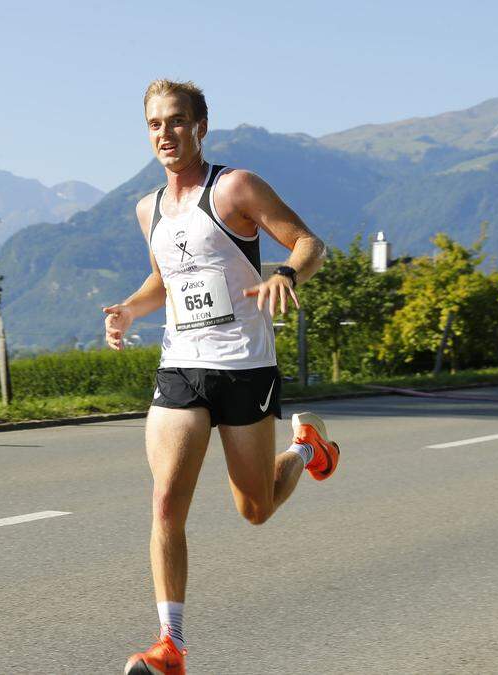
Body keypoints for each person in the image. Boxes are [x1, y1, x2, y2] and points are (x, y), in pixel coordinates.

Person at [103, 79, 341, 675]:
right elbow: (166, 280)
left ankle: (304, 449)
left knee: (254, 508)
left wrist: (286, 269)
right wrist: (131, 308)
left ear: (200, 127)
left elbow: (310, 242)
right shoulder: (147, 208)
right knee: (164, 502)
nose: (166, 133)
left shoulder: (235, 187)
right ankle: (170, 645)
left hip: (244, 366)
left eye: (178, 121)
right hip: (181, 367)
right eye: (156, 124)